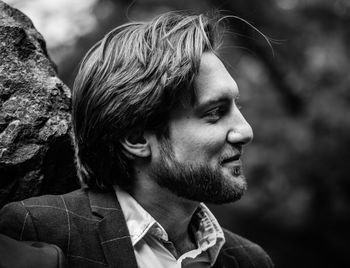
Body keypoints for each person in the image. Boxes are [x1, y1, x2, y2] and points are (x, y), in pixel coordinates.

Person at [0, 11, 273, 268]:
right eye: (214, 112)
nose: (245, 131)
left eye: (238, 107)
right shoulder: (38, 232)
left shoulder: (250, 259)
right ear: (135, 138)